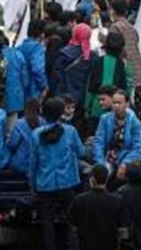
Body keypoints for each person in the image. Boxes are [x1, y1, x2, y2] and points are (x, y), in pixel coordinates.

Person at [30, 97, 85, 250]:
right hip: (66, 181)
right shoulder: (70, 131)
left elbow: (33, 162)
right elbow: (81, 151)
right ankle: (72, 247)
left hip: (44, 183)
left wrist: (33, 183)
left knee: (47, 221)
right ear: (61, 113)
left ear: (44, 113)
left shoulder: (35, 134)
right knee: (71, 219)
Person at [94, 88, 141, 190]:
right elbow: (98, 142)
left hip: (127, 157)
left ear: (127, 103)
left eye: (119, 103)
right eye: (114, 103)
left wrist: (125, 163)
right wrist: (100, 163)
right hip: (109, 156)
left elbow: (138, 148)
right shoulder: (105, 119)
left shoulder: (134, 122)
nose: (116, 106)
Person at [69, 164, 130, 250]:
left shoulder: (79, 200)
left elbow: (73, 228)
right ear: (106, 178)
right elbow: (123, 231)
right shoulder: (117, 200)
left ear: (92, 179)